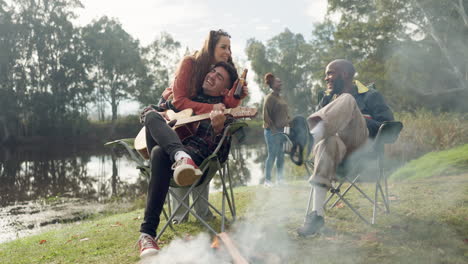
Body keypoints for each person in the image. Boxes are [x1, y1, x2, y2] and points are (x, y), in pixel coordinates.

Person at [137, 62, 239, 258]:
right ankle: (179, 155)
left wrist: (219, 130)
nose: (212, 76)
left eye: (219, 77)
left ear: (225, 89)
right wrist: (162, 113)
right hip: (175, 162)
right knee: (151, 116)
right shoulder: (186, 99)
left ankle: (147, 234)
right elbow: (149, 110)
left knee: (158, 153)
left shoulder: (225, 111)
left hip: (197, 167)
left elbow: (222, 155)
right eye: (212, 71)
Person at [157, 29, 248, 224]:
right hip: (174, 112)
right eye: (223, 47)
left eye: (229, 48)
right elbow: (179, 101)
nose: (228, 52)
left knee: (195, 150)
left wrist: (235, 99)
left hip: (199, 133)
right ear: (210, 46)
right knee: (175, 145)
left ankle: (198, 212)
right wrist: (211, 107)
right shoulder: (191, 63)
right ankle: (180, 216)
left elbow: (227, 102)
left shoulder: (217, 74)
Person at [296, 59, 394, 236]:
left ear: (345, 74)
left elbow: (389, 126)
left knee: (347, 99)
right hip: (336, 150)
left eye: (330, 73)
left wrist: (359, 118)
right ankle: (317, 215)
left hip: (362, 148)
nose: (326, 78)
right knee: (327, 142)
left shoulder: (370, 95)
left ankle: (308, 138)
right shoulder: (327, 98)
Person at [262, 73, 290, 186]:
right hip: (271, 131)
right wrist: (274, 131)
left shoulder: (280, 97)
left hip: (283, 130)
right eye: (278, 82)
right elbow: (265, 116)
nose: (280, 83)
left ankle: (280, 179)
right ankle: (267, 181)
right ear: (273, 85)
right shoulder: (269, 98)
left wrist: (289, 124)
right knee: (272, 154)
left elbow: (285, 113)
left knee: (281, 155)